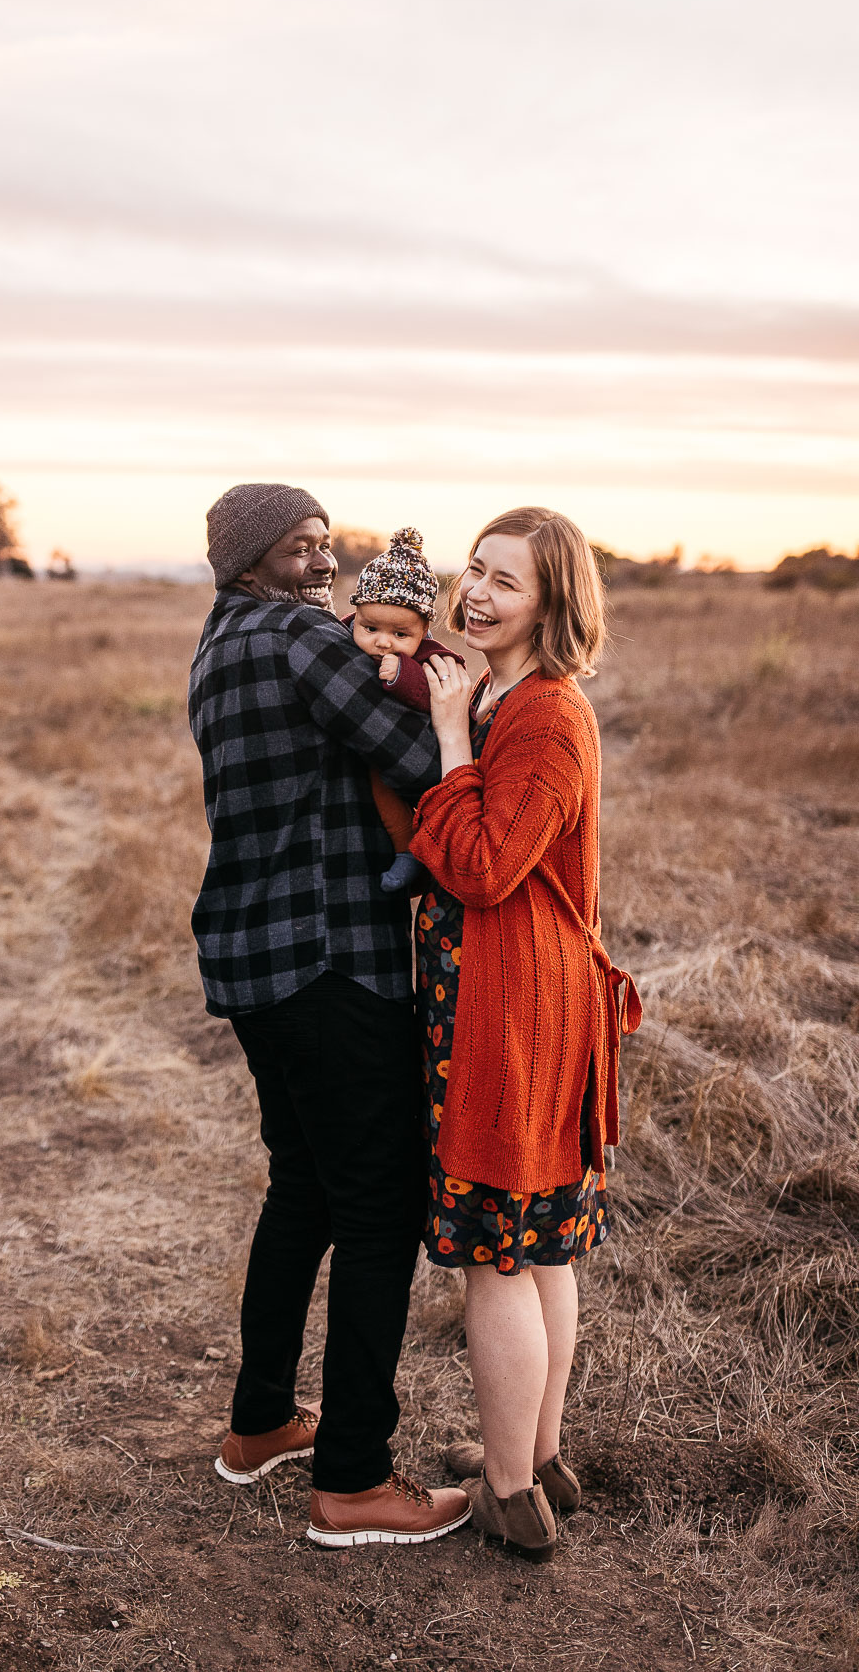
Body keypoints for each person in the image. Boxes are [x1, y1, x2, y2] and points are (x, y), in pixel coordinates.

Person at [189, 482, 471, 1549]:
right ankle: (353, 1476)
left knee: (304, 1184)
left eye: (324, 539)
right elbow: (410, 760)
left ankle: (262, 1419)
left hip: (252, 960)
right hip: (328, 959)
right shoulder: (306, 637)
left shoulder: (219, 641)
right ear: (249, 557)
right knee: (378, 1206)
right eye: (297, 543)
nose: (321, 557)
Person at [408, 507, 641, 1562]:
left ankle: (507, 1488)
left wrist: (453, 742)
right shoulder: (498, 688)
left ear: (554, 602)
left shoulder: (545, 712)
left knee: (501, 1254)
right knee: (539, 1241)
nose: (479, 592)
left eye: (507, 581)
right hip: (509, 997)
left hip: (516, 1009)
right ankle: (540, 1456)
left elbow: (487, 865)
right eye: (475, 568)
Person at [342, 526, 465, 895]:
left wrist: (404, 676)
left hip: (413, 749)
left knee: (388, 794)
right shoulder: (340, 636)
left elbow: (439, 693)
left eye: (400, 635)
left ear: (423, 631)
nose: (382, 642)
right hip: (361, 744)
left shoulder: (430, 656)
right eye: (371, 627)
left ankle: (408, 851)